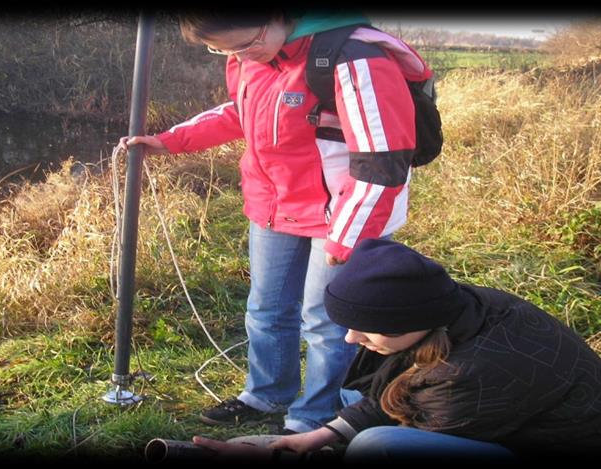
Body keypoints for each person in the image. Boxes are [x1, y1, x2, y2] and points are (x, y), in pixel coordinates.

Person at [118, 10, 434, 434]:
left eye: (246, 44)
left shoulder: (355, 56)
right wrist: (171, 140)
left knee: (328, 321)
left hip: (344, 213)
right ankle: (267, 393)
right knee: (265, 309)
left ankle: (314, 417)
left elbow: (383, 159)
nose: (240, 55)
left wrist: (348, 238)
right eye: (224, 49)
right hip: (275, 204)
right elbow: (241, 112)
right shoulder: (252, 57)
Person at [191, 238, 601, 461]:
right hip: (507, 418)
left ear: (412, 321)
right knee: (355, 403)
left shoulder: (471, 374)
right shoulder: (454, 308)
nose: (350, 339)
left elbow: (400, 408)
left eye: (366, 328)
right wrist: (317, 437)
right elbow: (390, 389)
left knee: (378, 445)